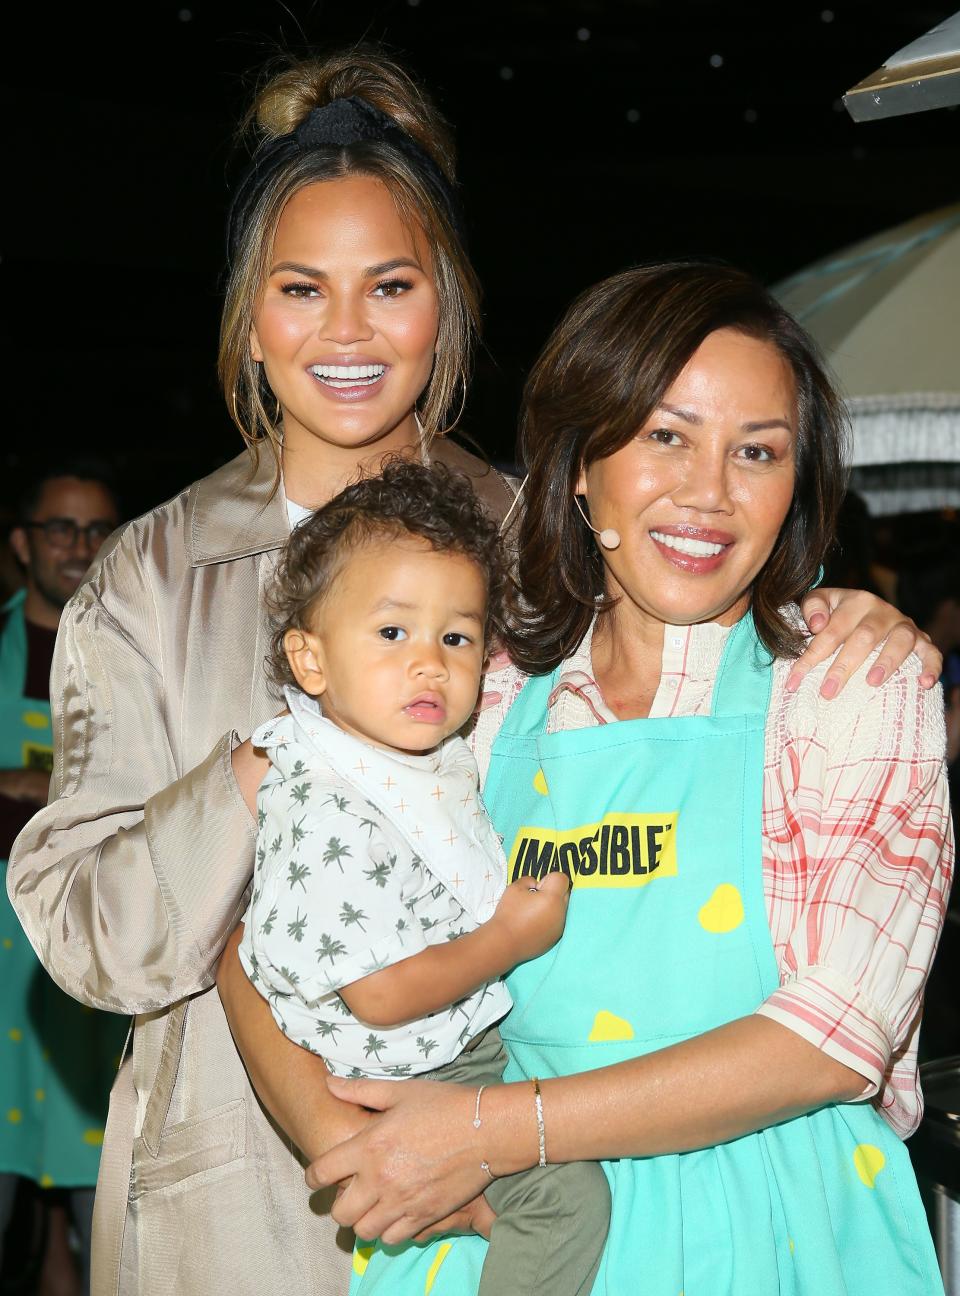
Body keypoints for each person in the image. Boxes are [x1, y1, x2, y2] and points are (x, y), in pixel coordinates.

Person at [6, 47, 940, 1296]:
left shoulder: (524, 548)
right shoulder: (151, 577)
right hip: (243, 1181)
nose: (346, 331)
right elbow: (93, 935)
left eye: (390, 285)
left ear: (444, 301)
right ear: (248, 314)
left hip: (532, 1177)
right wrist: (264, 766)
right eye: (300, 289)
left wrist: (831, 614)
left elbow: (685, 593)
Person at [221, 262, 952, 1296]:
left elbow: (833, 1041)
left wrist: (486, 1127)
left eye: (758, 451)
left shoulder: (850, 692)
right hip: (506, 1232)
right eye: (665, 435)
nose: (708, 491)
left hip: (772, 1230)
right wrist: (364, 1152)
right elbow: (254, 941)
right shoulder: (480, 695)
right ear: (578, 463)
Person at [242, 459, 607, 1296]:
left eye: (457, 637)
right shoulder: (330, 801)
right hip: (415, 1075)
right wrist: (508, 938)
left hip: (446, 1058)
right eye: (393, 632)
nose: (431, 665)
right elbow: (378, 994)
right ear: (311, 660)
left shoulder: (408, 757)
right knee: (566, 1201)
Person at [0, 462, 125, 1296]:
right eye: (59, 529)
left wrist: (22, 785)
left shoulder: (129, 659)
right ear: (22, 543)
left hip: (87, 956)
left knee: (105, 1219)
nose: (78, 547)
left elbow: (139, 798)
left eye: (95, 530)